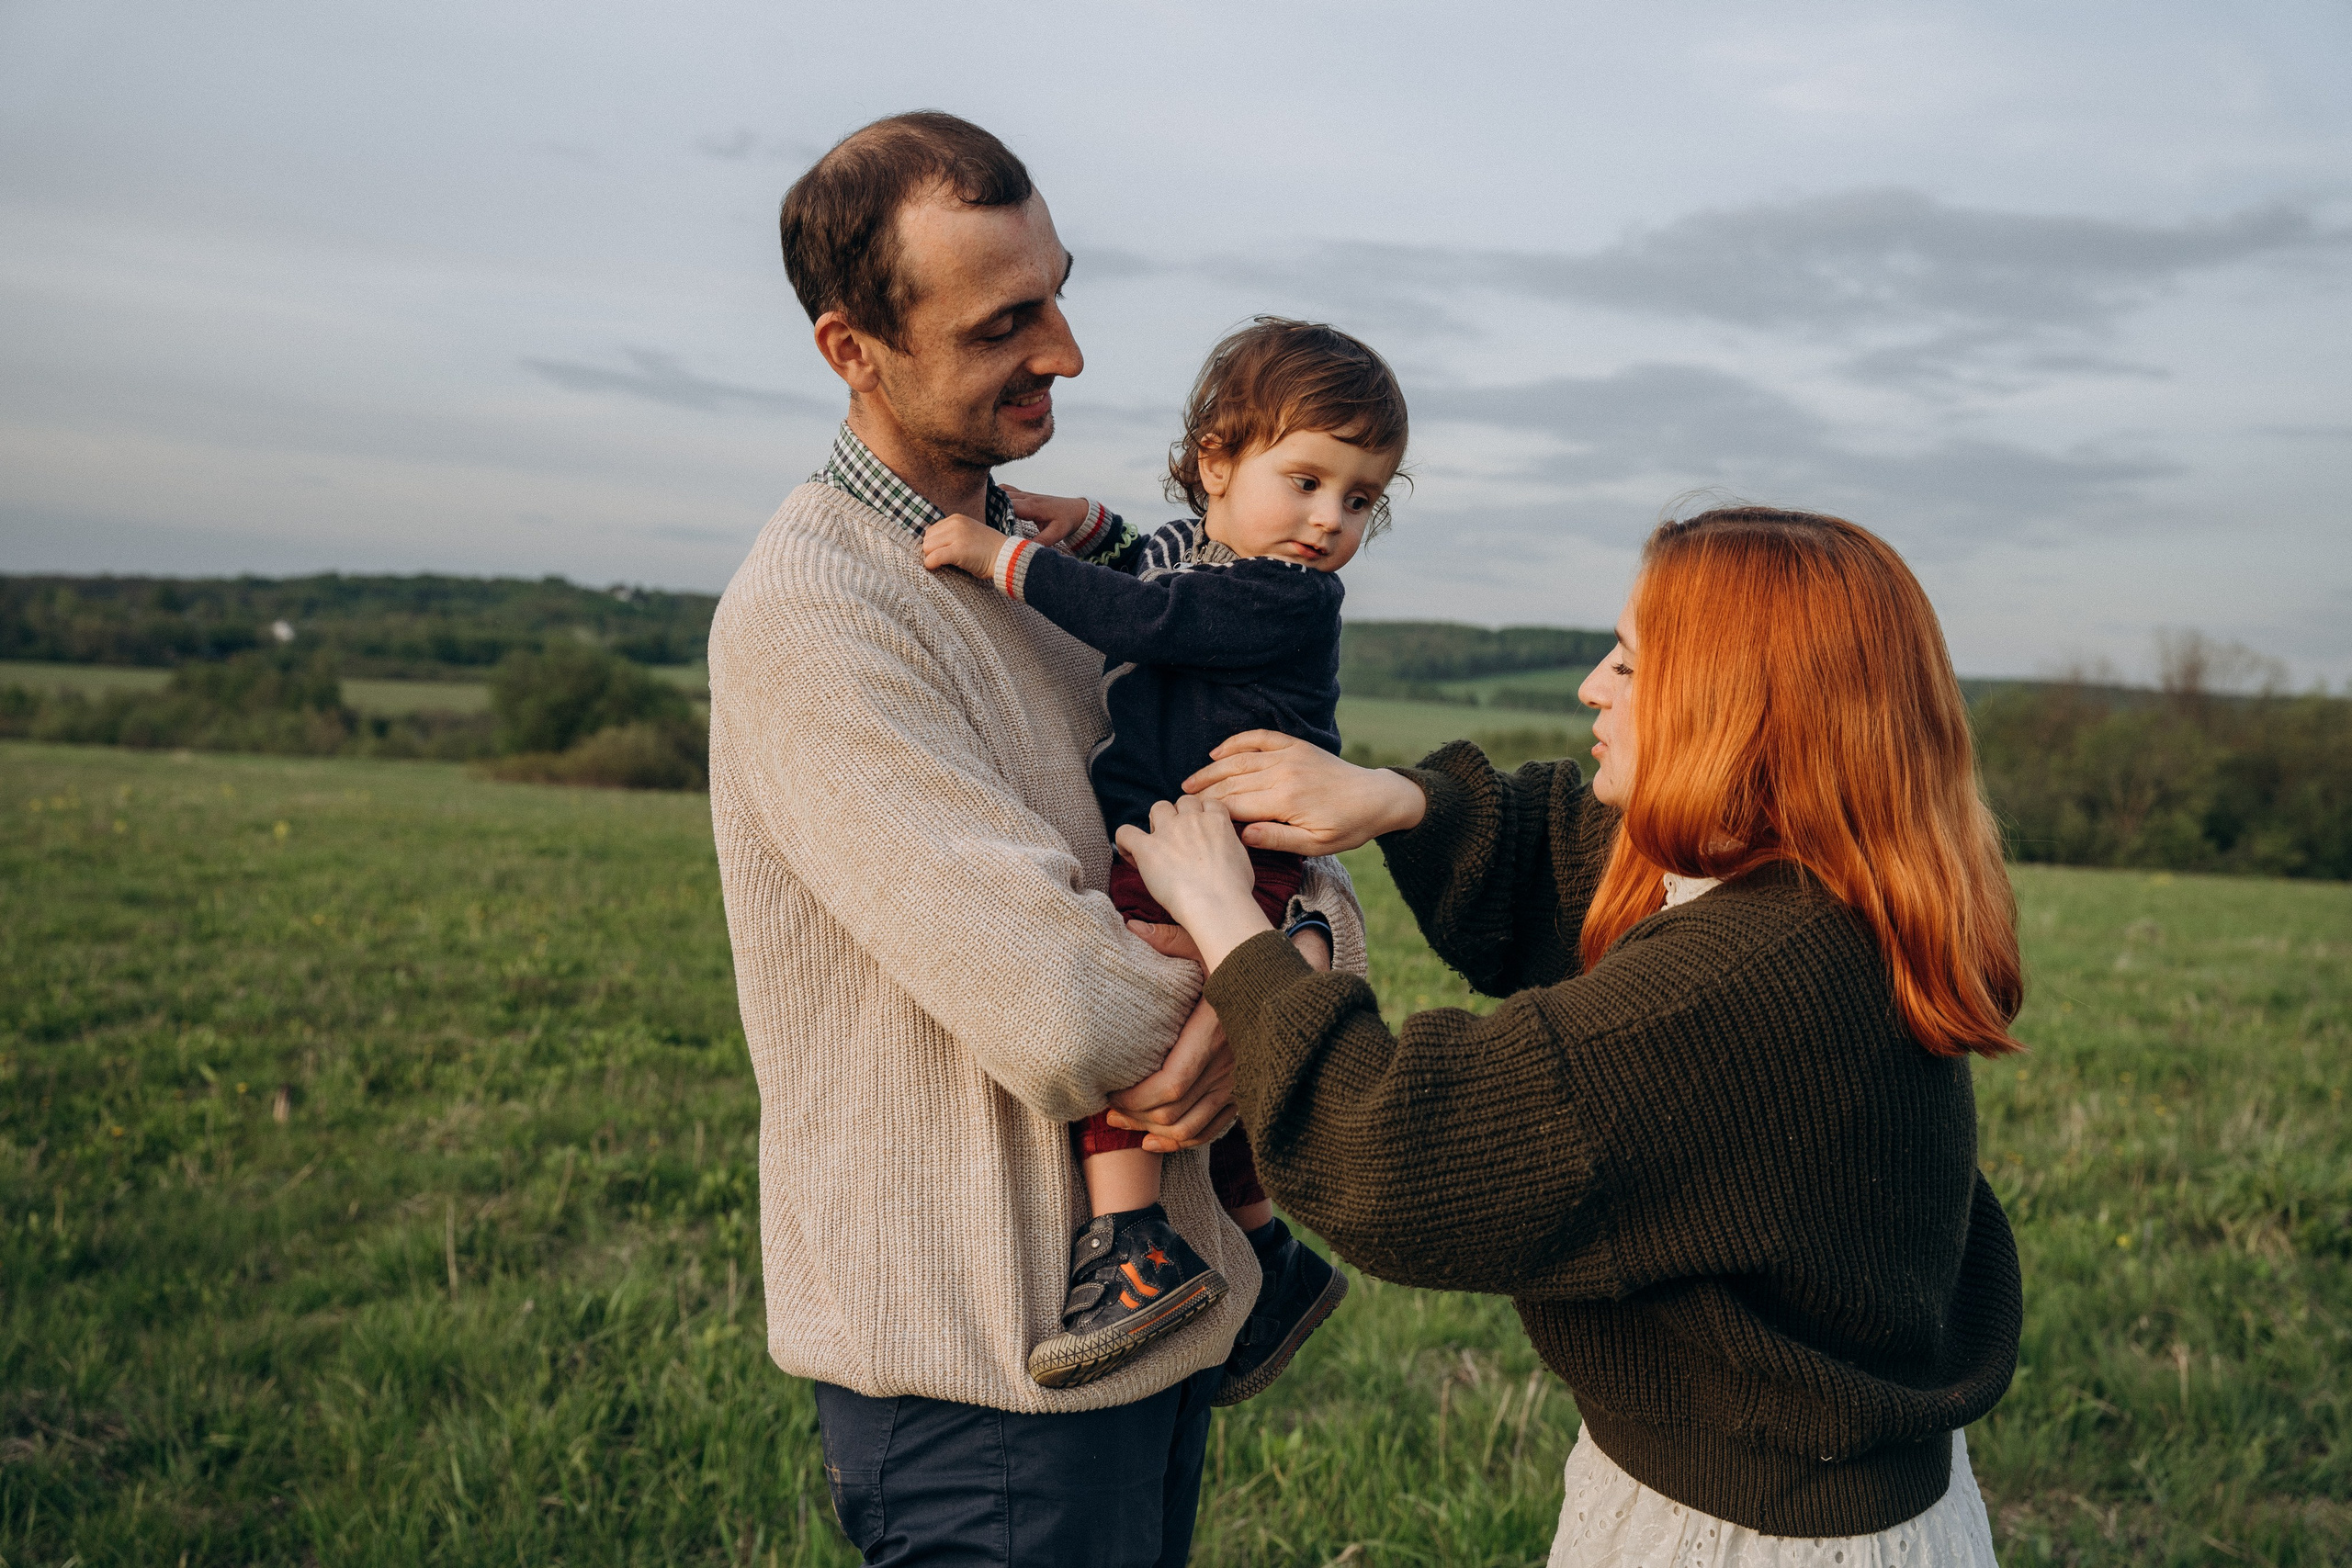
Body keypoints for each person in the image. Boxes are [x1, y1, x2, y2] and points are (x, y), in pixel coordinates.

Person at [1117, 506, 2023, 1564]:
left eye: (1632, 667)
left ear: (1735, 708)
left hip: (1745, 1534)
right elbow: (1581, 845)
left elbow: (1392, 1150)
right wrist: (1398, 799)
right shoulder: (1826, 883)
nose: (1593, 686)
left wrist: (1225, 917)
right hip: (1814, 1493)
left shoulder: (1731, 989)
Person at [707, 112, 1363, 1567]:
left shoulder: (1078, 573)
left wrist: (1298, 949)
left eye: (1060, 292)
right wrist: (1265, 997)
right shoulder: (819, 612)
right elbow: (1068, 1006)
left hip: (1163, 1318)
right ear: (852, 349)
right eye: (1008, 320)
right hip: (986, 1368)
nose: (1066, 350)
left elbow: (1286, 832)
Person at [923, 317, 1403, 1394]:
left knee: (1142, 995)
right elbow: (1161, 557)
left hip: (1215, 847)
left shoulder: (1280, 592)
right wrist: (1090, 523)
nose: (1330, 521)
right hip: (1212, 841)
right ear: (1219, 460)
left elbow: (1144, 613)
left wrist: (1004, 556)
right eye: (1309, 481)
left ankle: (1132, 1241)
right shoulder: (1220, 555)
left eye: (1361, 498)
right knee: (1214, 1044)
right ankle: (1267, 1256)